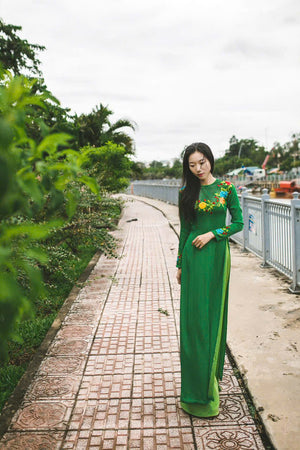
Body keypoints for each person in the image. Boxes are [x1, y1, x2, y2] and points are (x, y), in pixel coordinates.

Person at [176, 142, 243, 418]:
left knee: (211, 318)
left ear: (210, 160)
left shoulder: (227, 188)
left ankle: (209, 391)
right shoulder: (185, 191)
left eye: (202, 162)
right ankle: (192, 394)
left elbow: (238, 222)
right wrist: (180, 264)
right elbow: (185, 229)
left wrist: (214, 233)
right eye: (192, 165)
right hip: (193, 257)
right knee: (193, 324)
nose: (198, 169)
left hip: (216, 257)